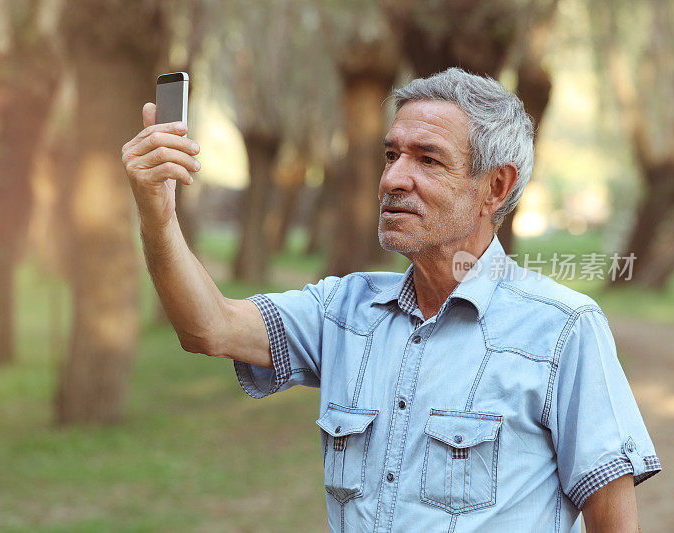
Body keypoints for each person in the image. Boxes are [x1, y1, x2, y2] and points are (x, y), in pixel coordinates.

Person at [121, 67, 660, 532]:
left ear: (495, 188)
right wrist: (157, 214)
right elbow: (208, 328)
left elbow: (614, 522)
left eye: (428, 160)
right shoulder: (344, 311)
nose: (394, 179)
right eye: (392, 154)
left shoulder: (564, 330)